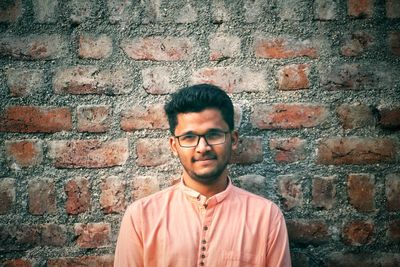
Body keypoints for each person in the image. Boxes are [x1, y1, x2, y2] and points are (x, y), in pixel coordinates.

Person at [114, 84, 291, 267]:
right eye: (189, 137)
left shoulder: (266, 217)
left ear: (234, 140)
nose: (202, 148)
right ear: (174, 146)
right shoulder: (141, 217)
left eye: (213, 134)